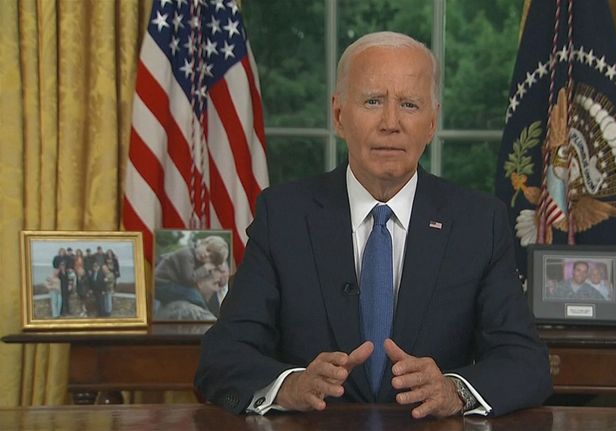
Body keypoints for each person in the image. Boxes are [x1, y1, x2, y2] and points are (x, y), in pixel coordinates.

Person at [195, 31, 551, 419]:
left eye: (409, 104)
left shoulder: (479, 223)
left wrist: (455, 391)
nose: (390, 123)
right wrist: (290, 386)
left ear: (432, 121)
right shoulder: (283, 216)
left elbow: (526, 362)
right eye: (373, 101)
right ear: (338, 115)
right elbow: (222, 356)